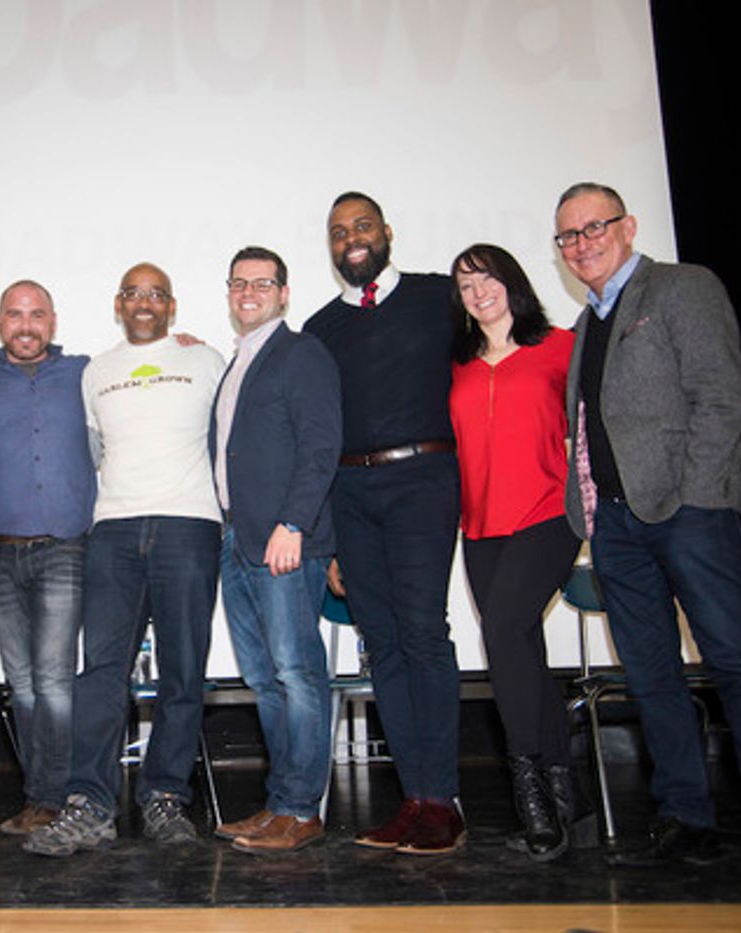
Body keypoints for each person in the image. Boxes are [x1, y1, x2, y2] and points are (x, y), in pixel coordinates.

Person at [555, 182, 741, 892]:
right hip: (617, 526)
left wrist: (698, 495)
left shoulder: (682, 287)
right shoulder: (586, 323)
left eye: (594, 227)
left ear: (628, 226)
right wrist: (593, 514)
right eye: (569, 236)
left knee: (735, 662)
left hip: (689, 515)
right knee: (652, 676)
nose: (581, 244)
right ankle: (685, 816)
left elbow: (722, 394)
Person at [25, 262, 225, 857]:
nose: (144, 302)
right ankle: (91, 804)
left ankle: (164, 796)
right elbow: (94, 450)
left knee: (183, 671)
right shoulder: (97, 372)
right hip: (113, 531)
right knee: (101, 673)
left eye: (156, 294)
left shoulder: (206, 360)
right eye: (134, 293)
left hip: (189, 525)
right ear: (118, 304)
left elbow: (228, 440)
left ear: (172, 306)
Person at [302, 192, 465, 855]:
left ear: (387, 232)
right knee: (383, 644)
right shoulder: (319, 327)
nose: (352, 239)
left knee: (424, 633)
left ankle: (444, 801)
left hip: (422, 479)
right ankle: (415, 798)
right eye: (339, 232)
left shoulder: (438, 297)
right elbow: (316, 430)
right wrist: (329, 536)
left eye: (362, 226)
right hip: (350, 494)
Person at [447, 243, 581, 861]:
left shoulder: (559, 347)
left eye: (487, 279)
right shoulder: (457, 365)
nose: (479, 293)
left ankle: (532, 799)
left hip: (548, 516)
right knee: (519, 648)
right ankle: (567, 791)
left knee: (502, 633)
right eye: (466, 286)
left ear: (512, 282)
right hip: (481, 529)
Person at [0, 280, 96, 836]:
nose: (26, 325)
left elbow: (135, 381)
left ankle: (50, 799)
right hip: (0, 553)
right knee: (23, 684)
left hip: (64, 547)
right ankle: (43, 795)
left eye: (37, 314)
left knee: (54, 681)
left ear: (52, 322)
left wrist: (179, 345)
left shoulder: (84, 373)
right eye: (15, 314)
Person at [210, 247, 341, 855]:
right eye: (239, 283)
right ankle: (280, 802)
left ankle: (302, 810)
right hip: (237, 539)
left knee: (297, 673)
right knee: (264, 680)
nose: (249, 292)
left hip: (284, 540)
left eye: (262, 283)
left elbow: (321, 444)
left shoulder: (301, 353)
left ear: (284, 294)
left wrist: (294, 523)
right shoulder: (235, 363)